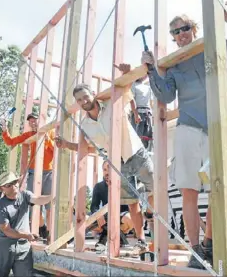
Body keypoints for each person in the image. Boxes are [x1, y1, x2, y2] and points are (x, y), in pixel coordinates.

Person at [141, 3, 227, 269]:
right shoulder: (174, 65)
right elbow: (165, 95)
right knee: (188, 190)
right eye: (175, 32)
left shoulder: (213, 48)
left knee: (217, 187)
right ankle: (196, 250)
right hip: (189, 128)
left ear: (195, 29)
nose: (181, 34)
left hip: (218, 128)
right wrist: (151, 69)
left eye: (185, 28)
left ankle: (210, 242)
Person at [55, 72, 154, 257]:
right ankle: (142, 242)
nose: (84, 101)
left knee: (155, 188)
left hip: (136, 152)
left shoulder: (112, 104)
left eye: (85, 96)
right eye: (79, 99)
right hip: (118, 163)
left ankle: (153, 223)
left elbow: (126, 89)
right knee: (132, 203)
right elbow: (88, 149)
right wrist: (66, 144)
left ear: (93, 93)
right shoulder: (85, 125)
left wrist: (126, 75)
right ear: (77, 103)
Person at [1, 112, 55, 240]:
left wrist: (48, 140)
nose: (33, 123)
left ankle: (50, 234)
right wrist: (4, 128)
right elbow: (10, 142)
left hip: (49, 172)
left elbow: (57, 151)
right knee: (33, 203)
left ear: (41, 120)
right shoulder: (29, 135)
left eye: (35, 120)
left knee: (50, 205)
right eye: (30, 121)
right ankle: (42, 228)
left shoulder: (51, 132)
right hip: (33, 172)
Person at [0, 171, 52, 277]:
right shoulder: (0, 206)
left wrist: (53, 197)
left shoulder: (25, 195)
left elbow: (38, 200)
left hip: (23, 248)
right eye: (8, 185)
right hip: (4, 248)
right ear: (2, 189)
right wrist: (27, 235)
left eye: (14, 182)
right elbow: (7, 230)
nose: (13, 186)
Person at [89, 161, 134, 253]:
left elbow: (131, 207)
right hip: (105, 218)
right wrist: (98, 215)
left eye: (109, 168)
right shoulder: (98, 186)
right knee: (86, 220)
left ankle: (103, 240)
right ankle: (118, 238)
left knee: (129, 218)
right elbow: (94, 206)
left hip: (122, 217)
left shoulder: (123, 184)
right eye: (104, 169)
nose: (107, 172)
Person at [129, 74, 154, 150]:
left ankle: (145, 155)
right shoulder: (134, 85)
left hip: (148, 114)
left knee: (147, 138)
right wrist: (136, 114)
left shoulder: (148, 87)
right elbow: (132, 100)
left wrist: (153, 116)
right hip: (139, 113)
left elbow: (151, 102)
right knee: (137, 138)